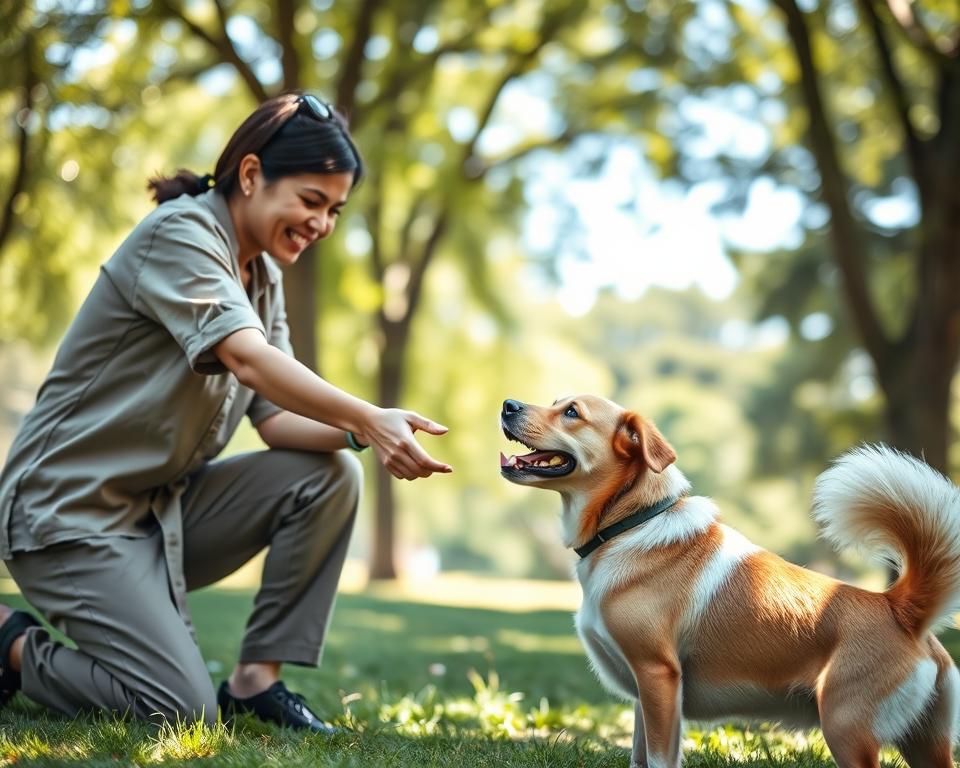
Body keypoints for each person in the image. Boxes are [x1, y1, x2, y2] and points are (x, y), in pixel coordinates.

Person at [0, 93, 452, 732]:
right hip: (67, 513)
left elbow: (274, 418)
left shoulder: (261, 276)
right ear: (249, 175)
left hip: (160, 514)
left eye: (334, 210)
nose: (322, 224)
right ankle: (12, 650)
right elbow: (248, 361)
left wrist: (365, 431)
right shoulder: (180, 234)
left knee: (326, 474)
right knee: (178, 709)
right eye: (310, 201)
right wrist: (366, 414)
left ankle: (254, 682)